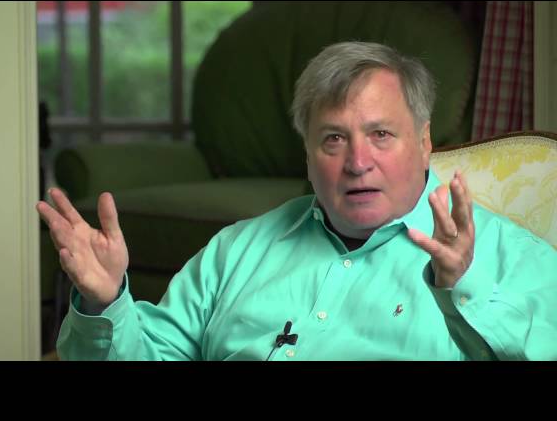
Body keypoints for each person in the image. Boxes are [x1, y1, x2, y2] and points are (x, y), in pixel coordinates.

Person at [36, 41, 557, 361]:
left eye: (380, 134)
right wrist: (106, 302)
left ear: (423, 142)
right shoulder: (234, 251)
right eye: (333, 139)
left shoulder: (512, 257)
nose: (357, 162)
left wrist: (464, 290)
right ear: (307, 155)